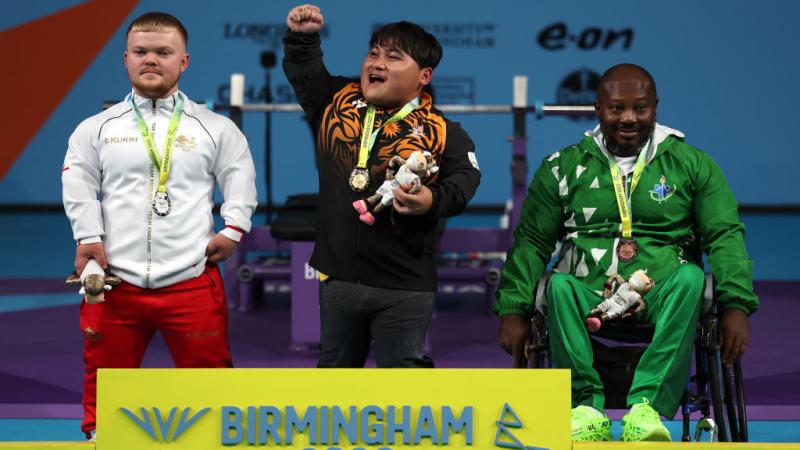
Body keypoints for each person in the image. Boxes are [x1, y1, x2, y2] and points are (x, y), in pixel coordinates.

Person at [493, 64, 758, 442]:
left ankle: (646, 410)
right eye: (617, 108)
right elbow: (532, 242)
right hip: (589, 295)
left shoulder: (692, 164)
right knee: (558, 286)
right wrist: (512, 310)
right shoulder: (562, 166)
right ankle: (584, 407)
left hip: (663, 290)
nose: (629, 118)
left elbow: (725, 236)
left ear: (656, 107)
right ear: (598, 108)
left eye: (640, 108)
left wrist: (735, 307)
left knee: (692, 278)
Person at [61, 12, 257, 440]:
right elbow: (77, 183)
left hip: (189, 279)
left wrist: (233, 229)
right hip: (115, 283)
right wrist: (88, 236)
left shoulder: (215, 127)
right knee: (105, 386)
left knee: (210, 390)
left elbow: (240, 179)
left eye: (163, 53)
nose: (152, 60)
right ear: (126, 59)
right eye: (142, 52)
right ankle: (101, 442)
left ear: (183, 61)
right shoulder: (95, 130)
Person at [282, 4, 480, 368]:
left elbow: (465, 182)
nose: (377, 63)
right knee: (334, 385)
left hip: (405, 285)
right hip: (337, 278)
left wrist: (431, 199)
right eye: (373, 53)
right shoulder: (334, 101)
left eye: (393, 57)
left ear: (423, 76)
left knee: (403, 389)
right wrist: (303, 37)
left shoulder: (444, 132)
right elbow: (304, 71)